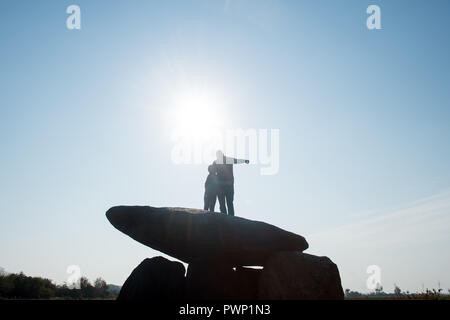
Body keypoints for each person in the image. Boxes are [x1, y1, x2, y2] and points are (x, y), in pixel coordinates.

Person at [211, 150, 249, 216]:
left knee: (227, 202)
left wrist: (244, 161)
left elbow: (236, 161)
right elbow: (213, 173)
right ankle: (226, 217)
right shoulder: (217, 162)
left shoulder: (222, 161)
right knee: (225, 203)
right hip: (224, 185)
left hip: (225, 185)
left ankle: (228, 217)